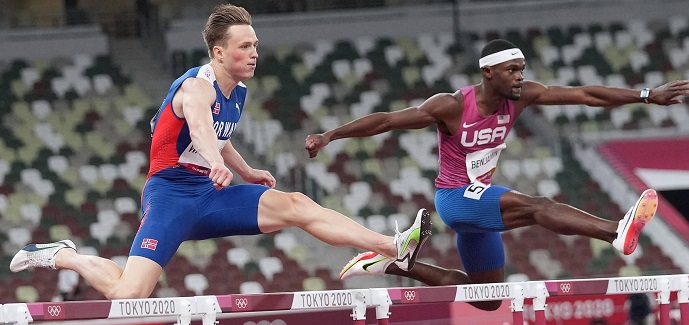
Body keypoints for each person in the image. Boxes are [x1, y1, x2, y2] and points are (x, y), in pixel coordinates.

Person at [9, 4, 430, 300]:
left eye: (255, 44)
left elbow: (219, 137)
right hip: (171, 196)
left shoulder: (238, 91)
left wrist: (245, 170)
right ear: (219, 52)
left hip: (211, 194)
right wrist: (214, 163)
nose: (254, 53)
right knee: (128, 294)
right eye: (244, 46)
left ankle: (393, 246)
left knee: (297, 204)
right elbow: (199, 125)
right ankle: (62, 255)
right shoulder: (196, 87)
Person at [306, 39, 689, 311]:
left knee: (489, 298)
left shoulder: (522, 97)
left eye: (522, 70)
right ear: (488, 72)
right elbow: (387, 121)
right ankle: (615, 231)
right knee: (539, 206)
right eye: (512, 71)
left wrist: (645, 95)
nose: (520, 77)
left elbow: (585, 95)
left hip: (479, 204)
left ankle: (389, 263)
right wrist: (331, 135)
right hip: (455, 199)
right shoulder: (452, 106)